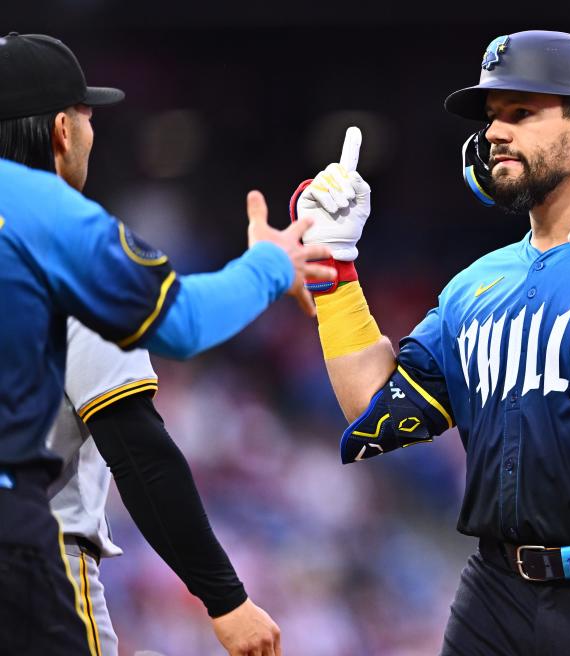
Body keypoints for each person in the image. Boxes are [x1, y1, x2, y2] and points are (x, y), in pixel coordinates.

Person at [293, 30, 570, 654]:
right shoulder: (477, 284)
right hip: (495, 594)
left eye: (522, 113)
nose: (494, 132)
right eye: (493, 117)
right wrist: (337, 269)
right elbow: (370, 404)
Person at [0, 32, 334, 655]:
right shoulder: (54, 227)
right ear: (61, 132)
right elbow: (143, 439)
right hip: (26, 555)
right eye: (86, 115)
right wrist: (268, 265)